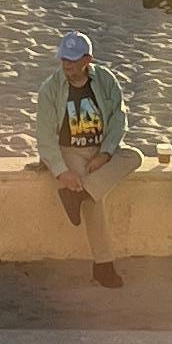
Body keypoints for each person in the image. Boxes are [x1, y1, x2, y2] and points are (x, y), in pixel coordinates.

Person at [33, 29, 140, 288]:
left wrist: (105, 153)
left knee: (134, 156)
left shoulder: (105, 80)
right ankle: (103, 266)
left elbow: (118, 118)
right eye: (64, 60)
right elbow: (45, 138)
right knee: (95, 196)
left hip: (100, 149)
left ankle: (78, 195)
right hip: (69, 151)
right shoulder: (50, 89)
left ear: (87, 60)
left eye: (72, 59)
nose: (67, 65)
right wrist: (61, 171)